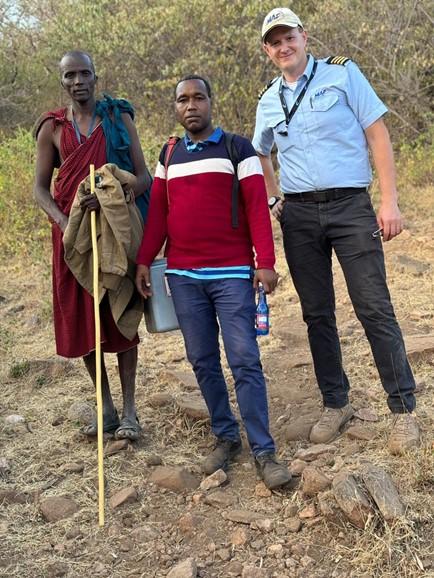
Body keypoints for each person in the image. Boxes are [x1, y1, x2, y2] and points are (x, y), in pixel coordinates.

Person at [253, 8, 420, 455]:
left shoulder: (343, 76)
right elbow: (260, 154)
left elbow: (377, 133)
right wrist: (274, 200)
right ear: (268, 51)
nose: (283, 46)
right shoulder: (268, 98)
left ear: (304, 37)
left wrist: (389, 201)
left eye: (289, 37)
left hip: (351, 207)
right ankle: (335, 402)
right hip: (301, 216)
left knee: (373, 305)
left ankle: (403, 409)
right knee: (317, 313)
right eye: (274, 42)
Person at [135, 75, 291, 489]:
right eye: (182, 100)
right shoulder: (168, 153)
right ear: (175, 107)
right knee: (202, 360)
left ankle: (263, 449)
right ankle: (226, 435)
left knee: (244, 360)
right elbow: (158, 218)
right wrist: (143, 261)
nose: (191, 106)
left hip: (232, 274)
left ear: (210, 102)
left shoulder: (236, 148)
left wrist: (266, 262)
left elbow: (258, 207)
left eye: (198, 98)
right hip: (183, 278)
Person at [33, 50, 151, 440]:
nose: (78, 81)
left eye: (85, 73)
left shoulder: (118, 118)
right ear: (62, 81)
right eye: (70, 75)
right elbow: (40, 189)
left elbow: (144, 177)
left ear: (95, 76)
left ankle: (132, 412)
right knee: (84, 319)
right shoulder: (52, 128)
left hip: (115, 232)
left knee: (120, 313)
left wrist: (113, 191)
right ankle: (106, 410)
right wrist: (66, 221)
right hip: (72, 240)